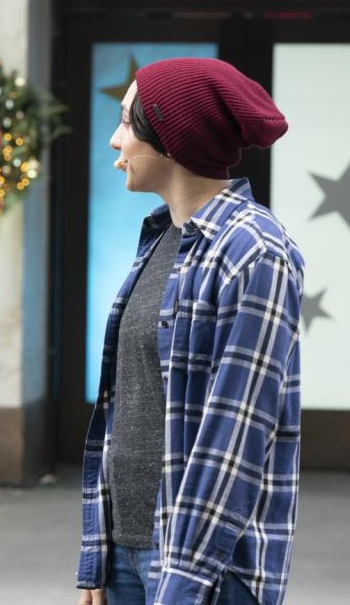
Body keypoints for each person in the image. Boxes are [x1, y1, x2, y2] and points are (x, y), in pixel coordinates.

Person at [76, 58, 304, 605]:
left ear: (173, 138)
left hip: (203, 570)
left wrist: (183, 584)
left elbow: (236, 436)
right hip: (130, 552)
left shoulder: (255, 250)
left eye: (128, 122)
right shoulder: (163, 237)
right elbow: (126, 412)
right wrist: (96, 556)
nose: (114, 140)